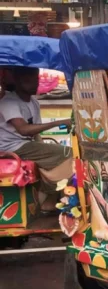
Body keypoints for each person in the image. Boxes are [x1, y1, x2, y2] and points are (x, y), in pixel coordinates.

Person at [0, 68, 72, 212]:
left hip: (26, 144)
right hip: (12, 147)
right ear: (18, 81)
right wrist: (57, 123)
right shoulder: (8, 102)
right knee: (66, 153)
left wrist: (44, 147)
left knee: (65, 154)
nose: (35, 83)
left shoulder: (34, 102)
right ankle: (49, 197)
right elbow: (24, 129)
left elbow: (35, 132)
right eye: (30, 79)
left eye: (37, 78)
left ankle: (51, 198)